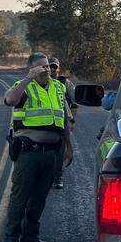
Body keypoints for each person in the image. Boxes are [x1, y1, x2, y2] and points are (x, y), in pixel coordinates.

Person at [3, 52, 72, 242]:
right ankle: (12, 235)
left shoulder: (59, 87)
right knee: (20, 196)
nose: (47, 70)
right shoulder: (24, 87)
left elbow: (64, 119)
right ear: (31, 68)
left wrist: (69, 146)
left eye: (48, 66)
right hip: (28, 153)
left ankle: (30, 235)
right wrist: (27, 79)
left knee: (39, 197)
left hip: (52, 153)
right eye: (41, 67)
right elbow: (10, 100)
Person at [47, 57, 77, 189]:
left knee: (60, 149)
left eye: (55, 67)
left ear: (58, 68)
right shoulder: (41, 82)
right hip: (45, 122)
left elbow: (74, 104)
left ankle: (58, 177)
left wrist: (72, 121)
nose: (52, 69)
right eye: (50, 66)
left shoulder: (66, 83)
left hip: (62, 121)